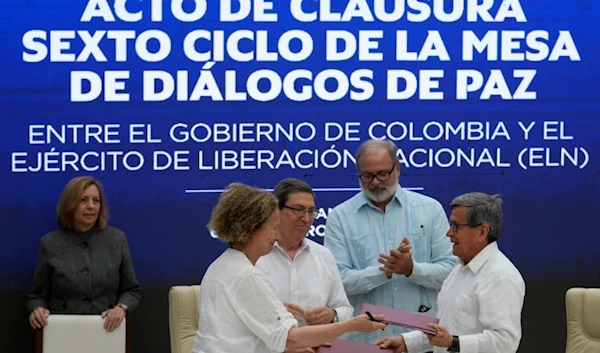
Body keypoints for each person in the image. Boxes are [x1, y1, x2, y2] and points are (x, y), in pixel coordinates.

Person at [192, 183, 387, 353]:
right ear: (253, 228)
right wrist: (352, 325)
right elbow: (291, 338)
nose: (276, 237)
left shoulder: (223, 265)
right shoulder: (246, 275)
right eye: (273, 228)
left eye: (311, 211)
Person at [324, 139, 455, 343]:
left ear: (398, 168)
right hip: (365, 342)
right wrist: (383, 271)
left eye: (382, 173)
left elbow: (451, 272)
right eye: (367, 175)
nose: (375, 182)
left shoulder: (430, 209)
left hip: (420, 339)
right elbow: (336, 282)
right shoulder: (340, 217)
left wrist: (411, 269)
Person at [374, 193, 526, 353]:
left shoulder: (500, 276)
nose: (448, 233)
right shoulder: (458, 269)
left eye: (456, 226)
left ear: (482, 232)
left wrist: (453, 342)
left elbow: (505, 343)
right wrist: (406, 342)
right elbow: (444, 329)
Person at [27, 176, 141, 333]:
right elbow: (37, 296)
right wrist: (37, 309)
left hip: (107, 330)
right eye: (83, 200)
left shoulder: (116, 239)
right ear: (70, 204)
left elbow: (132, 290)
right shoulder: (50, 243)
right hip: (63, 332)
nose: (91, 206)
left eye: (96, 201)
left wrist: (121, 308)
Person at [256, 178, 353, 328]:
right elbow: (234, 313)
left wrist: (332, 315)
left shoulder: (323, 256)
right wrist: (273, 314)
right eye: (298, 210)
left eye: (311, 211)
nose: (306, 219)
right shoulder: (255, 255)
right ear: (276, 211)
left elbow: (345, 309)